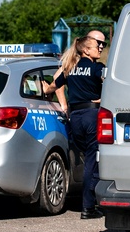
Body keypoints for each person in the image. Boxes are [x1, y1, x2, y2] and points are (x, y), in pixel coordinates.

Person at [45, 31, 107, 219]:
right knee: (92, 162)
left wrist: (44, 88)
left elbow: (52, 87)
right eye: (97, 46)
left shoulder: (69, 68)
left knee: (85, 159)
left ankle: (86, 201)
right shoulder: (97, 69)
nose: (100, 49)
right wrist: (99, 100)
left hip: (75, 119)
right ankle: (88, 207)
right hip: (91, 116)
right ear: (87, 50)